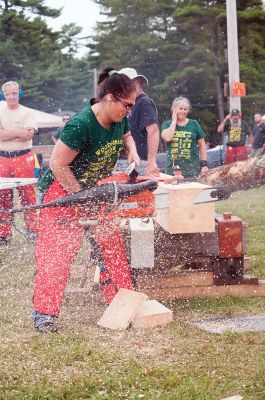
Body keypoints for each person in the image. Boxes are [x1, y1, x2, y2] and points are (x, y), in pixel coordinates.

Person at [32, 67, 140, 333]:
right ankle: (44, 314)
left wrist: (133, 152)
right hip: (62, 192)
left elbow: (126, 134)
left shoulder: (119, 118)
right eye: (127, 105)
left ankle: (122, 304)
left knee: (112, 247)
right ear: (110, 98)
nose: (129, 111)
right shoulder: (80, 125)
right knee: (58, 255)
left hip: (94, 190)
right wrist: (80, 198)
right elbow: (57, 164)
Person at [0, 81, 38, 245]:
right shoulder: (0, 111)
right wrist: (17, 132)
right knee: (2, 197)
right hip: (2, 158)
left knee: (28, 194)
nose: (11, 96)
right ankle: (4, 233)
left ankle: (32, 231)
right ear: (3, 95)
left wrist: (7, 133)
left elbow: (28, 135)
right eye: (8, 94)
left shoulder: (27, 112)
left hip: (23, 157)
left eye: (14, 93)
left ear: (19, 93)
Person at [118, 67, 160, 176]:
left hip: (138, 162)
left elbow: (153, 131)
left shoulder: (144, 102)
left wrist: (151, 162)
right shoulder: (128, 103)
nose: (123, 89)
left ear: (136, 82)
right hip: (124, 160)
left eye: (125, 85)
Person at [161, 96, 209, 178]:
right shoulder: (167, 124)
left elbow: (202, 144)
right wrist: (174, 121)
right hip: (172, 171)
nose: (183, 111)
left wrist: (204, 164)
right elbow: (168, 138)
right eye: (180, 108)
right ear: (174, 109)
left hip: (192, 169)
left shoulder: (194, 124)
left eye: (185, 109)